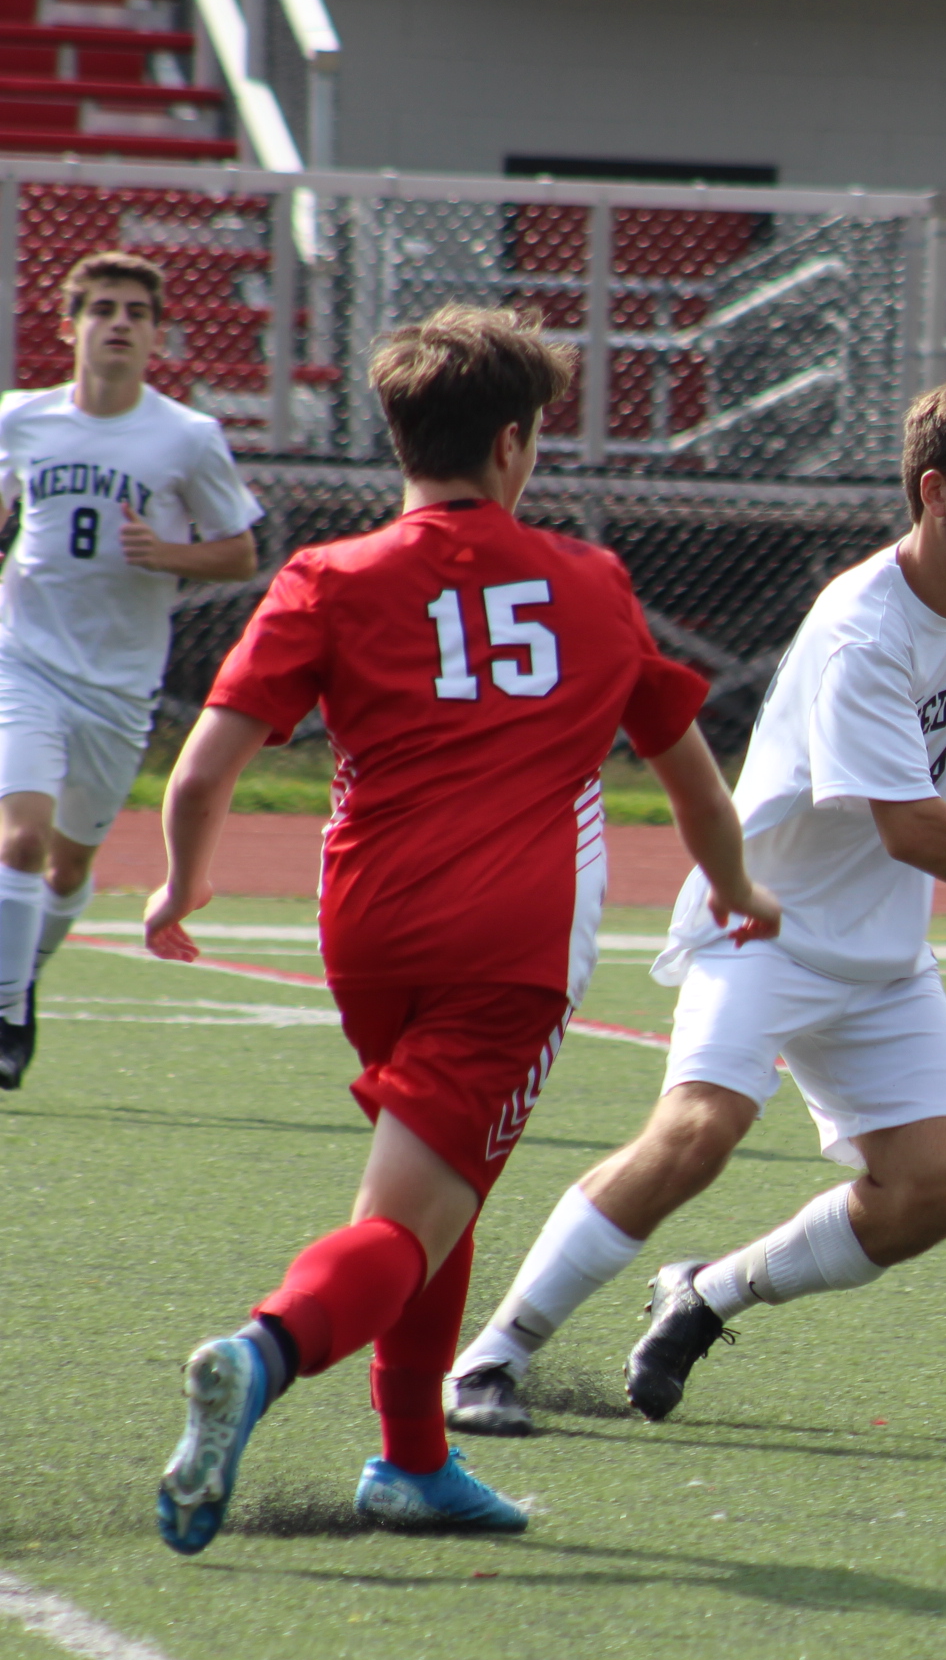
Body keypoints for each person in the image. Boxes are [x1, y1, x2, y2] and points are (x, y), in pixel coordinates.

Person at [443, 378, 946, 1437]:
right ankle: (492, 1356)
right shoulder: (860, 626)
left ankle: (706, 1296)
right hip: (765, 923)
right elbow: (911, 826)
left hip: (877, 953)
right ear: (936, 493)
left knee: (937, 1186)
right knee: (700, 1132)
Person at [146, 306, 778, 1554]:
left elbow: (202, 772)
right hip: (511, 950)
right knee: (407, 1221)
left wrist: (179, 887)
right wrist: (741, 891)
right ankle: (261, 1353)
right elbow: (694, 779)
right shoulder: (591, 582)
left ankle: (414, 1462)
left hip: (366, 927)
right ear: (512, 444)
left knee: (444, 1189)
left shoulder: (326, 574)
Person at [0, 251, 262, 1088]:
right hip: (24, 662)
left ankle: (21, 976)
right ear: (70, 325)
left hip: (117, 686)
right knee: (21, 839)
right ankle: (5, 1018)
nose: (118, 323)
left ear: (155, 334)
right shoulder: (20, 419)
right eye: (103, 308)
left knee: (70, 867)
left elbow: (242, 553)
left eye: (136, 312)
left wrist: (169, 552)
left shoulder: (187, 437)